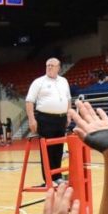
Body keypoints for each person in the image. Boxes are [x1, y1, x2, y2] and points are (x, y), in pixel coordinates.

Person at [26, 58, 72, 186]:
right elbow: (29, 101)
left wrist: (68, 115)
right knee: (47, 149)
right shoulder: (38, 82)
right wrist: (31, 119)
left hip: (61, 118)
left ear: (59, 67)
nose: (49, 67)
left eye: (52, 65)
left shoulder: (64, 81)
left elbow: (68, 99)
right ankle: (48, 179)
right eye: (48, 65)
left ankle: (57, 176)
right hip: (45, 119)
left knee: (58, 148)